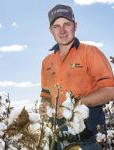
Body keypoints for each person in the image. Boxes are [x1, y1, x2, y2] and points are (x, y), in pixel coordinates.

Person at [39, 4, 114, 150]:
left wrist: (76, 104)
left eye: (67, 24)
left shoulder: (91, 53)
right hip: (58, 137)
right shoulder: (46, 62)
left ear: (75, 26)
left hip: (88, 137)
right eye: (56, 26)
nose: (62, 30)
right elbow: (45, 94)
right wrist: (45, 106)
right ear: (50, 31)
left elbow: (110, 90)